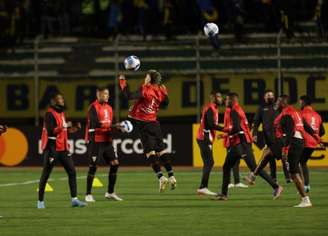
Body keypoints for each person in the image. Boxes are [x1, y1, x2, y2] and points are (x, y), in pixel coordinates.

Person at [214, 93, 282, 200]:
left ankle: (276, 187)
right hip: (238, 144)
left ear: (232, 100)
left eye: (227, 100)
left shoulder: (234, 111)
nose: (225, 101)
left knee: (254, 167)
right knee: (226, 167)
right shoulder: (237, 109)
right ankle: (224, 194)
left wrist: (224, 134)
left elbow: (236, 128)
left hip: (243, 143)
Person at [119, 70, 177, 192]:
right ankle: (171, 176)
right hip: (155, 124)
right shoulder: (160, 90)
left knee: (150, 153)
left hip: (144, 125)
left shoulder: (145, 89)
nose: (145, 78)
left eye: (146, 76)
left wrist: (122, 81)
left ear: (149, 78)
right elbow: (166, 103)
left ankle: (161, 177)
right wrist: (165, 94)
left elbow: (128, 96)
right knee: (161, 150)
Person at [37, 92, 86, 209]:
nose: (63, 100)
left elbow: (63, 131)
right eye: (60, 99)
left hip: (63, 148)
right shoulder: (49, 114)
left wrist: (73, 128)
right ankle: (40, 202)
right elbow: (50, 131)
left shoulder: (62, 113)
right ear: (54, 101)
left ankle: (74, 200)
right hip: (52, 148)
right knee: (46, 174)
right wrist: (65, 126)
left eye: (62, 98)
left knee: (72, 172)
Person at [85, 87, 123, 202]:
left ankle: (110, 192)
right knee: (93, 167)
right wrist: (113, 126)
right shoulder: (93, 107)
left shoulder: (109, 108)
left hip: (107, 141)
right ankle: (88, 194)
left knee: (115, 163)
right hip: (96, 140)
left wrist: (119, 129)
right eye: (105, 94)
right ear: (98, 95)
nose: (107, 96)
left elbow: (110, 125)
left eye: (108, 94)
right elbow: (95, 123)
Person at [252, 90, 290, 183]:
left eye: (272, 95)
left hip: (279, 136)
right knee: (271, 159)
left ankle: (288, 177)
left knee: (283, 156)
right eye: (268, 95)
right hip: (268, 137)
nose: (270, 97)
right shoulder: (261, 108)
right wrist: (254, 134)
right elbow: (256, 122)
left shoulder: (278, 107)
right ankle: (274, 178)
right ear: (264, 97)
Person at [299, 95, 325, 193]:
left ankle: (302, 184)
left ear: (303, 102)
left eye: (300, 102)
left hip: (303, 141)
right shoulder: (317, 115)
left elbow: (299, 127)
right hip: (313, 143)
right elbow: (322, 131)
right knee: (302, 162)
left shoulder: (301, 113)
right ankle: (306, 185)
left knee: (296, 162)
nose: (300, 104)